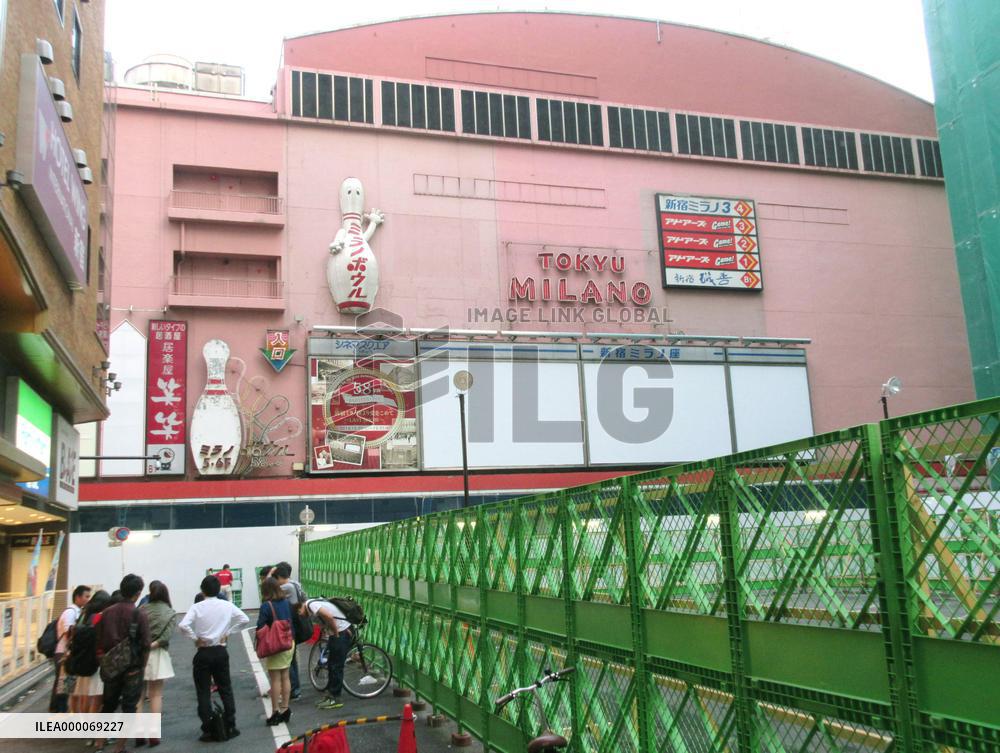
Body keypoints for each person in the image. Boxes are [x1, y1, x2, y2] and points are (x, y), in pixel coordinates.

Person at [179, 575, 249, 742]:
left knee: (203, 691)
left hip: (203, 652)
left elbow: (183, 625)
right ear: (219, 590)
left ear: (202, 590)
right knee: (225, 688)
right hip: (220, 651)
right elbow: (244, 619)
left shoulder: (197, 607)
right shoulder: (226, 605)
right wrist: (228, 633)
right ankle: (230, 724)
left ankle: (208, 728)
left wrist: (195, 638)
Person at [96, 574, 151, 753]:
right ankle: (119, 747)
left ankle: (99, 742)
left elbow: (99, 640)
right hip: (132, 667)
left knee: (108, 704)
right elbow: (146, 644)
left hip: (111, 666)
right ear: (137, 593)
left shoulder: (107, 612)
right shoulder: (139, 613)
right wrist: (142, 664)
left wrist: (104, 660)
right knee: (129, 707)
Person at [139, 581, 177, 748]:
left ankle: (138, 733)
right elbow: (165, 637)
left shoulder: (142, 610)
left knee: (138, 696)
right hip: (158, 655)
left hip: (139, 655)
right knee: (155, 694)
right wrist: (153, 644)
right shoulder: (170, 612)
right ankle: (154, 733)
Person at [257, 578, 294, 726]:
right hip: (288, 642)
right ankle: (285, 709)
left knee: (275, 679)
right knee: (285, 676)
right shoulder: (286, 602)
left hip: (275, 644)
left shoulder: (266, 606)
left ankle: (275, 712)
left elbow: (261, 626)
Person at [68, 589, 110, 717]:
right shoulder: (100, 617)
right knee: (96, 698)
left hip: (82, 659)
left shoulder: (84, 615)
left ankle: (83, 723)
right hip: (95, 661)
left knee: (84, 695)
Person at [51, 585, 92, 712]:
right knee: (63, 685)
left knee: (66, 684)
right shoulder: (70, 612)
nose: (88, 599)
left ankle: (60, 711)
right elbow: (69, 633)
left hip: (68, 653)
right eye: (86, 596)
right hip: (63, 652)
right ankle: (58, 711)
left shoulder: (79, 611)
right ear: (77, 597)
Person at [307, 598, 352, 711]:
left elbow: (329, 617)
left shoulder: (311, 605)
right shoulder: (312, 604)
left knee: (336, 666)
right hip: (339, 631)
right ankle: (330, 695)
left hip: (341, 631)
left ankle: (335, 698)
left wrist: (336, 633)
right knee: (332, 664)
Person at [272, 562, 306, 700]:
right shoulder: (296, 584)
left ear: (280, 576)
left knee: (288, 661)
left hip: (290, 625)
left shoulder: (285, 587)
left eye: (276, 577)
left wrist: (270, 574)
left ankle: (294, 690)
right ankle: (294, 688)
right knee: (291, 658)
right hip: (297, 623)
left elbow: (267, 590)